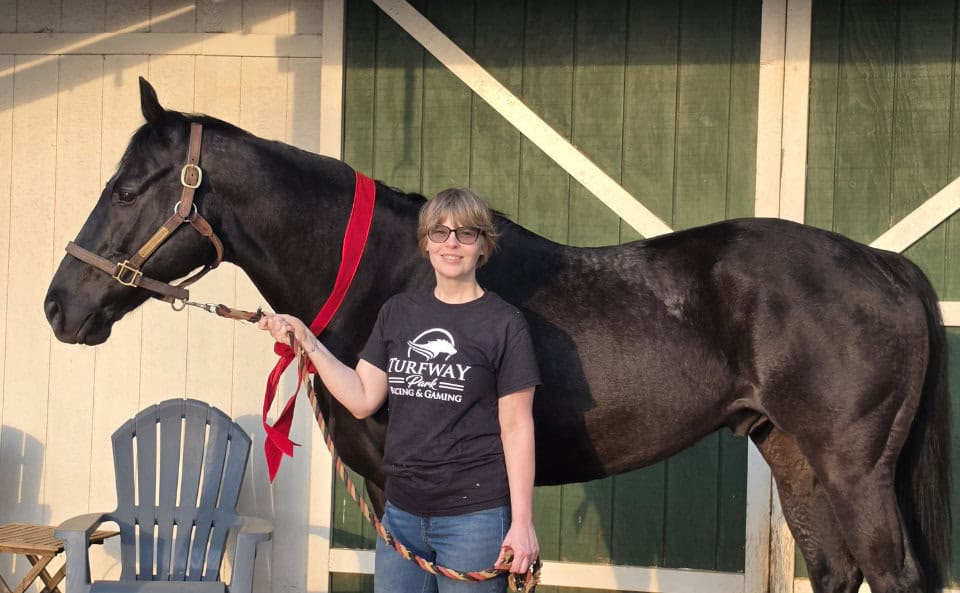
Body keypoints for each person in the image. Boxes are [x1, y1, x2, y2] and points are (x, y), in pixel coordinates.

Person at [258, 187, 541, 593]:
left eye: (465, 233)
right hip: (401, 515)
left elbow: (516, 427)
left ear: (483, 245)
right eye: (439, 232)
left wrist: (522, 523)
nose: (451, 244)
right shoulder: (399, 313)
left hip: (473, 520)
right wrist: (306, 339)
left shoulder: (504, 324)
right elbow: (361, 398)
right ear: (425, 243)